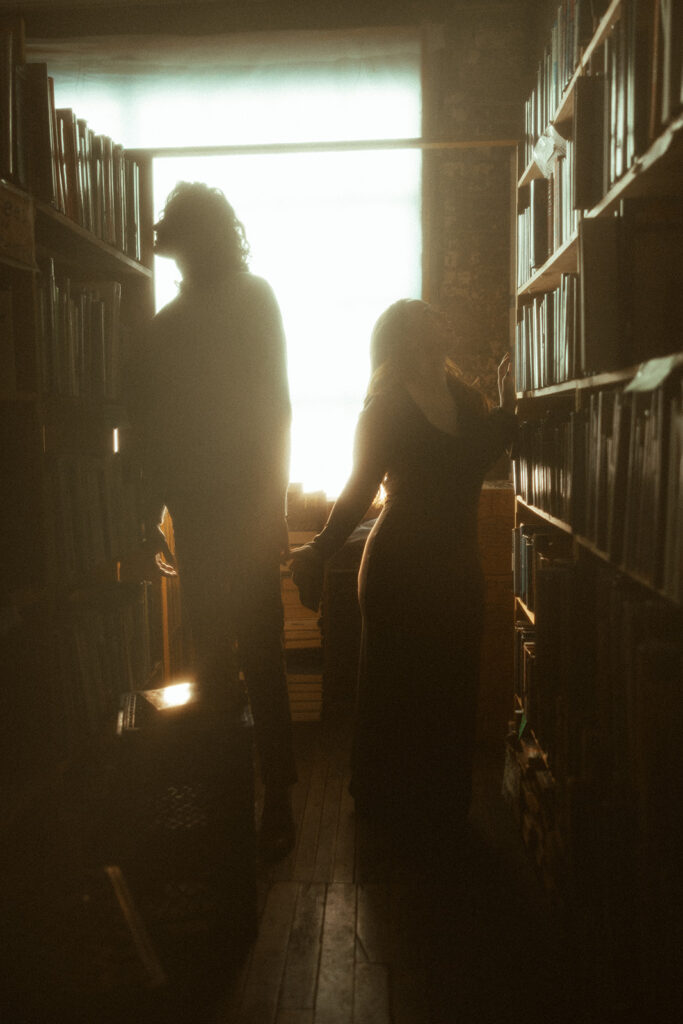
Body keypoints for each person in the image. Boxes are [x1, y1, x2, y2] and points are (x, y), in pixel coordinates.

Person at [290, 299, 516, 849]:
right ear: (405, 337)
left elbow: (488, 448)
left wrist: (512, 403)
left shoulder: (467, 399)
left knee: (452, 684)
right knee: (399, 689)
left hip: (457, 567)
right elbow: (359, 489)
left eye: (439, 315)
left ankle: (441, 804)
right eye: (424, 317)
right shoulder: (386, 407)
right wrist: (319, 549)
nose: (440, 320)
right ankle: (390, 805)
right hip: (399, 569)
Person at [126, 182, 297, 861]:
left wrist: (150, 520)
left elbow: (153, 440)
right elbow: (273, 413)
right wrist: (272, 511)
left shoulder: (169, 326)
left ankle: (243, 803)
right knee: (251, 662)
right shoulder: (251, 301)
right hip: (233, 514)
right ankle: (266, 802)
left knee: (223, 665)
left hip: (208, 515)